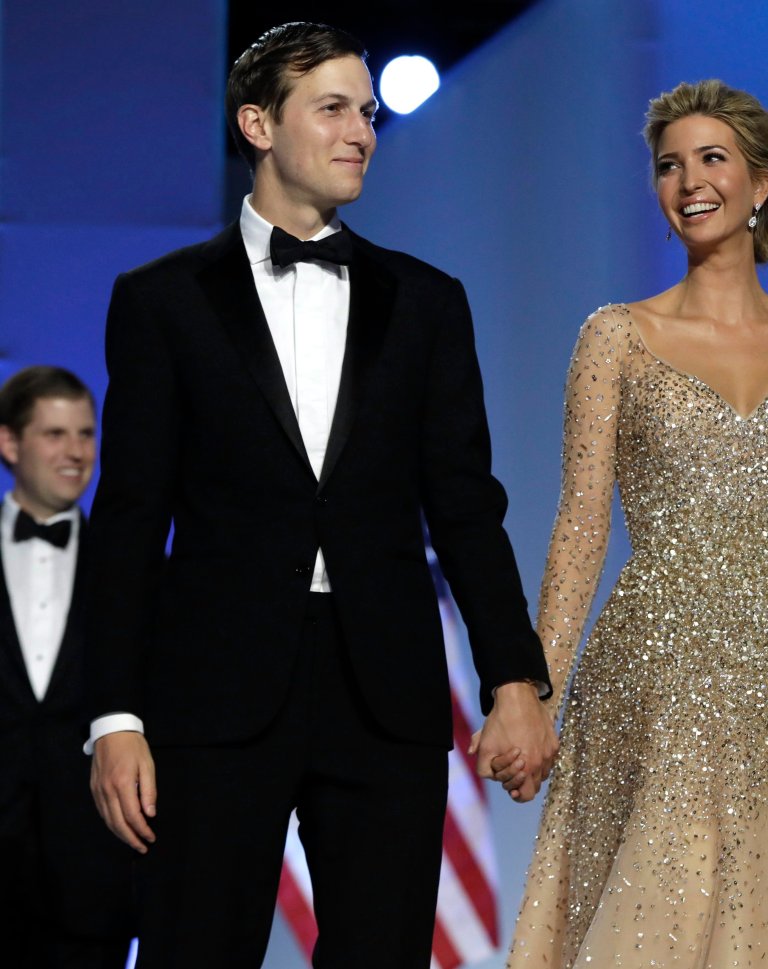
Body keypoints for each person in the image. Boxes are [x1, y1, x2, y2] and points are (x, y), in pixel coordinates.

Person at [83, 22, 557, 968]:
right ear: (257, 122)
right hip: (213, 691)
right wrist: (115, 716)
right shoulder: (161, 300)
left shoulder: (426, 301)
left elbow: (466, 503)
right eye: (333, 108)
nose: (362, 133)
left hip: (383, 689)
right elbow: (131, 518)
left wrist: (514, 678)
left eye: (370, 114)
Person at [500, 80, 768, 967]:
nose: (689, 181)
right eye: (670, 165)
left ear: (762, 184)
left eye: (712, 159)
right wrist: (537, 691)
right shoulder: (614, 338)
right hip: (656, 678)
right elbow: (582, 524)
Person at [0, 366, 135, 968]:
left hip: (91, 878)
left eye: (85, 433)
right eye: (55, 434)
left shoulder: (135, 567)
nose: (76, 452)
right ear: (9, 443)